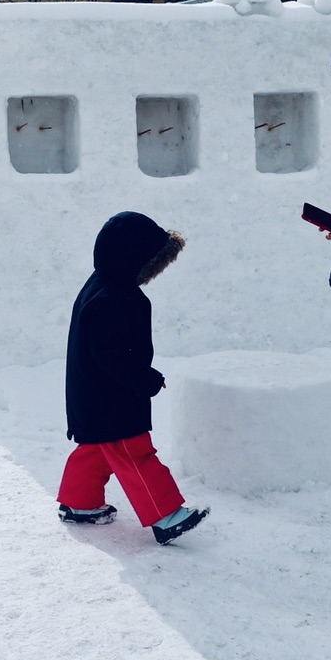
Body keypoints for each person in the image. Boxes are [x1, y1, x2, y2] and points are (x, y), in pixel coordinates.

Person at [57, 212, 208, 545]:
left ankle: (79, 504)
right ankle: (165, 515)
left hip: (94, 396)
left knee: (95, 448)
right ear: (133, 260)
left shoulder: (105, 286)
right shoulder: (112, 299)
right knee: (134, 453)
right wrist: (146, 379)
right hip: (112, 398)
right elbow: (112, 356)